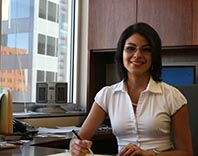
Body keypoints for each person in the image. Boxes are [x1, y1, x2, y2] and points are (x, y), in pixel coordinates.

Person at [69, 22, 193, 156]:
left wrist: (150, 155)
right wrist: (75, 145)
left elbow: (186, 153)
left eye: (146, 49)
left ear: (154, 56)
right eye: (130, 48)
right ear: (121, 53)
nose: (137, 55)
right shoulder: (107, 94)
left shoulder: (172, 96)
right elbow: (80, 138)